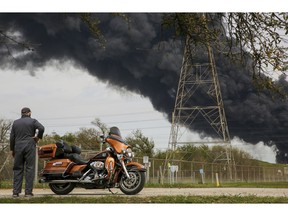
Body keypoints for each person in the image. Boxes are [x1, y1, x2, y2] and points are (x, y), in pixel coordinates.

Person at [10, 107, 45, 198]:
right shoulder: (33, 121)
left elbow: (12, 137)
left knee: (17, 169)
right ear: (29, 113)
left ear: (21, 113)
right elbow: (41, 128)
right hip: (29, 146)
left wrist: (12, 149)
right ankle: (28, 193)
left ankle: (15, 192)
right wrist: (37, 137)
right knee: (29, 169)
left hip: (18, 147)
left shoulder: (16, 122)